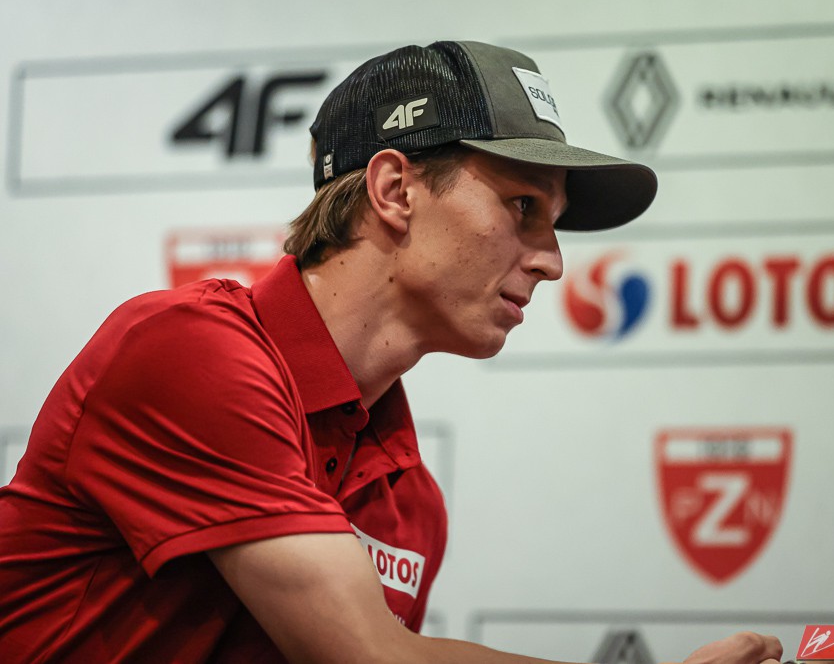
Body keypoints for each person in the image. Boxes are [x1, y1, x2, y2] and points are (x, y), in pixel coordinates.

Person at [0, 40, 783, 664]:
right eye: (523, 206)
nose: (552, 260)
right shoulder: (190, 351)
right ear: (394, 190)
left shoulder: (411, 502)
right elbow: (368, 654)